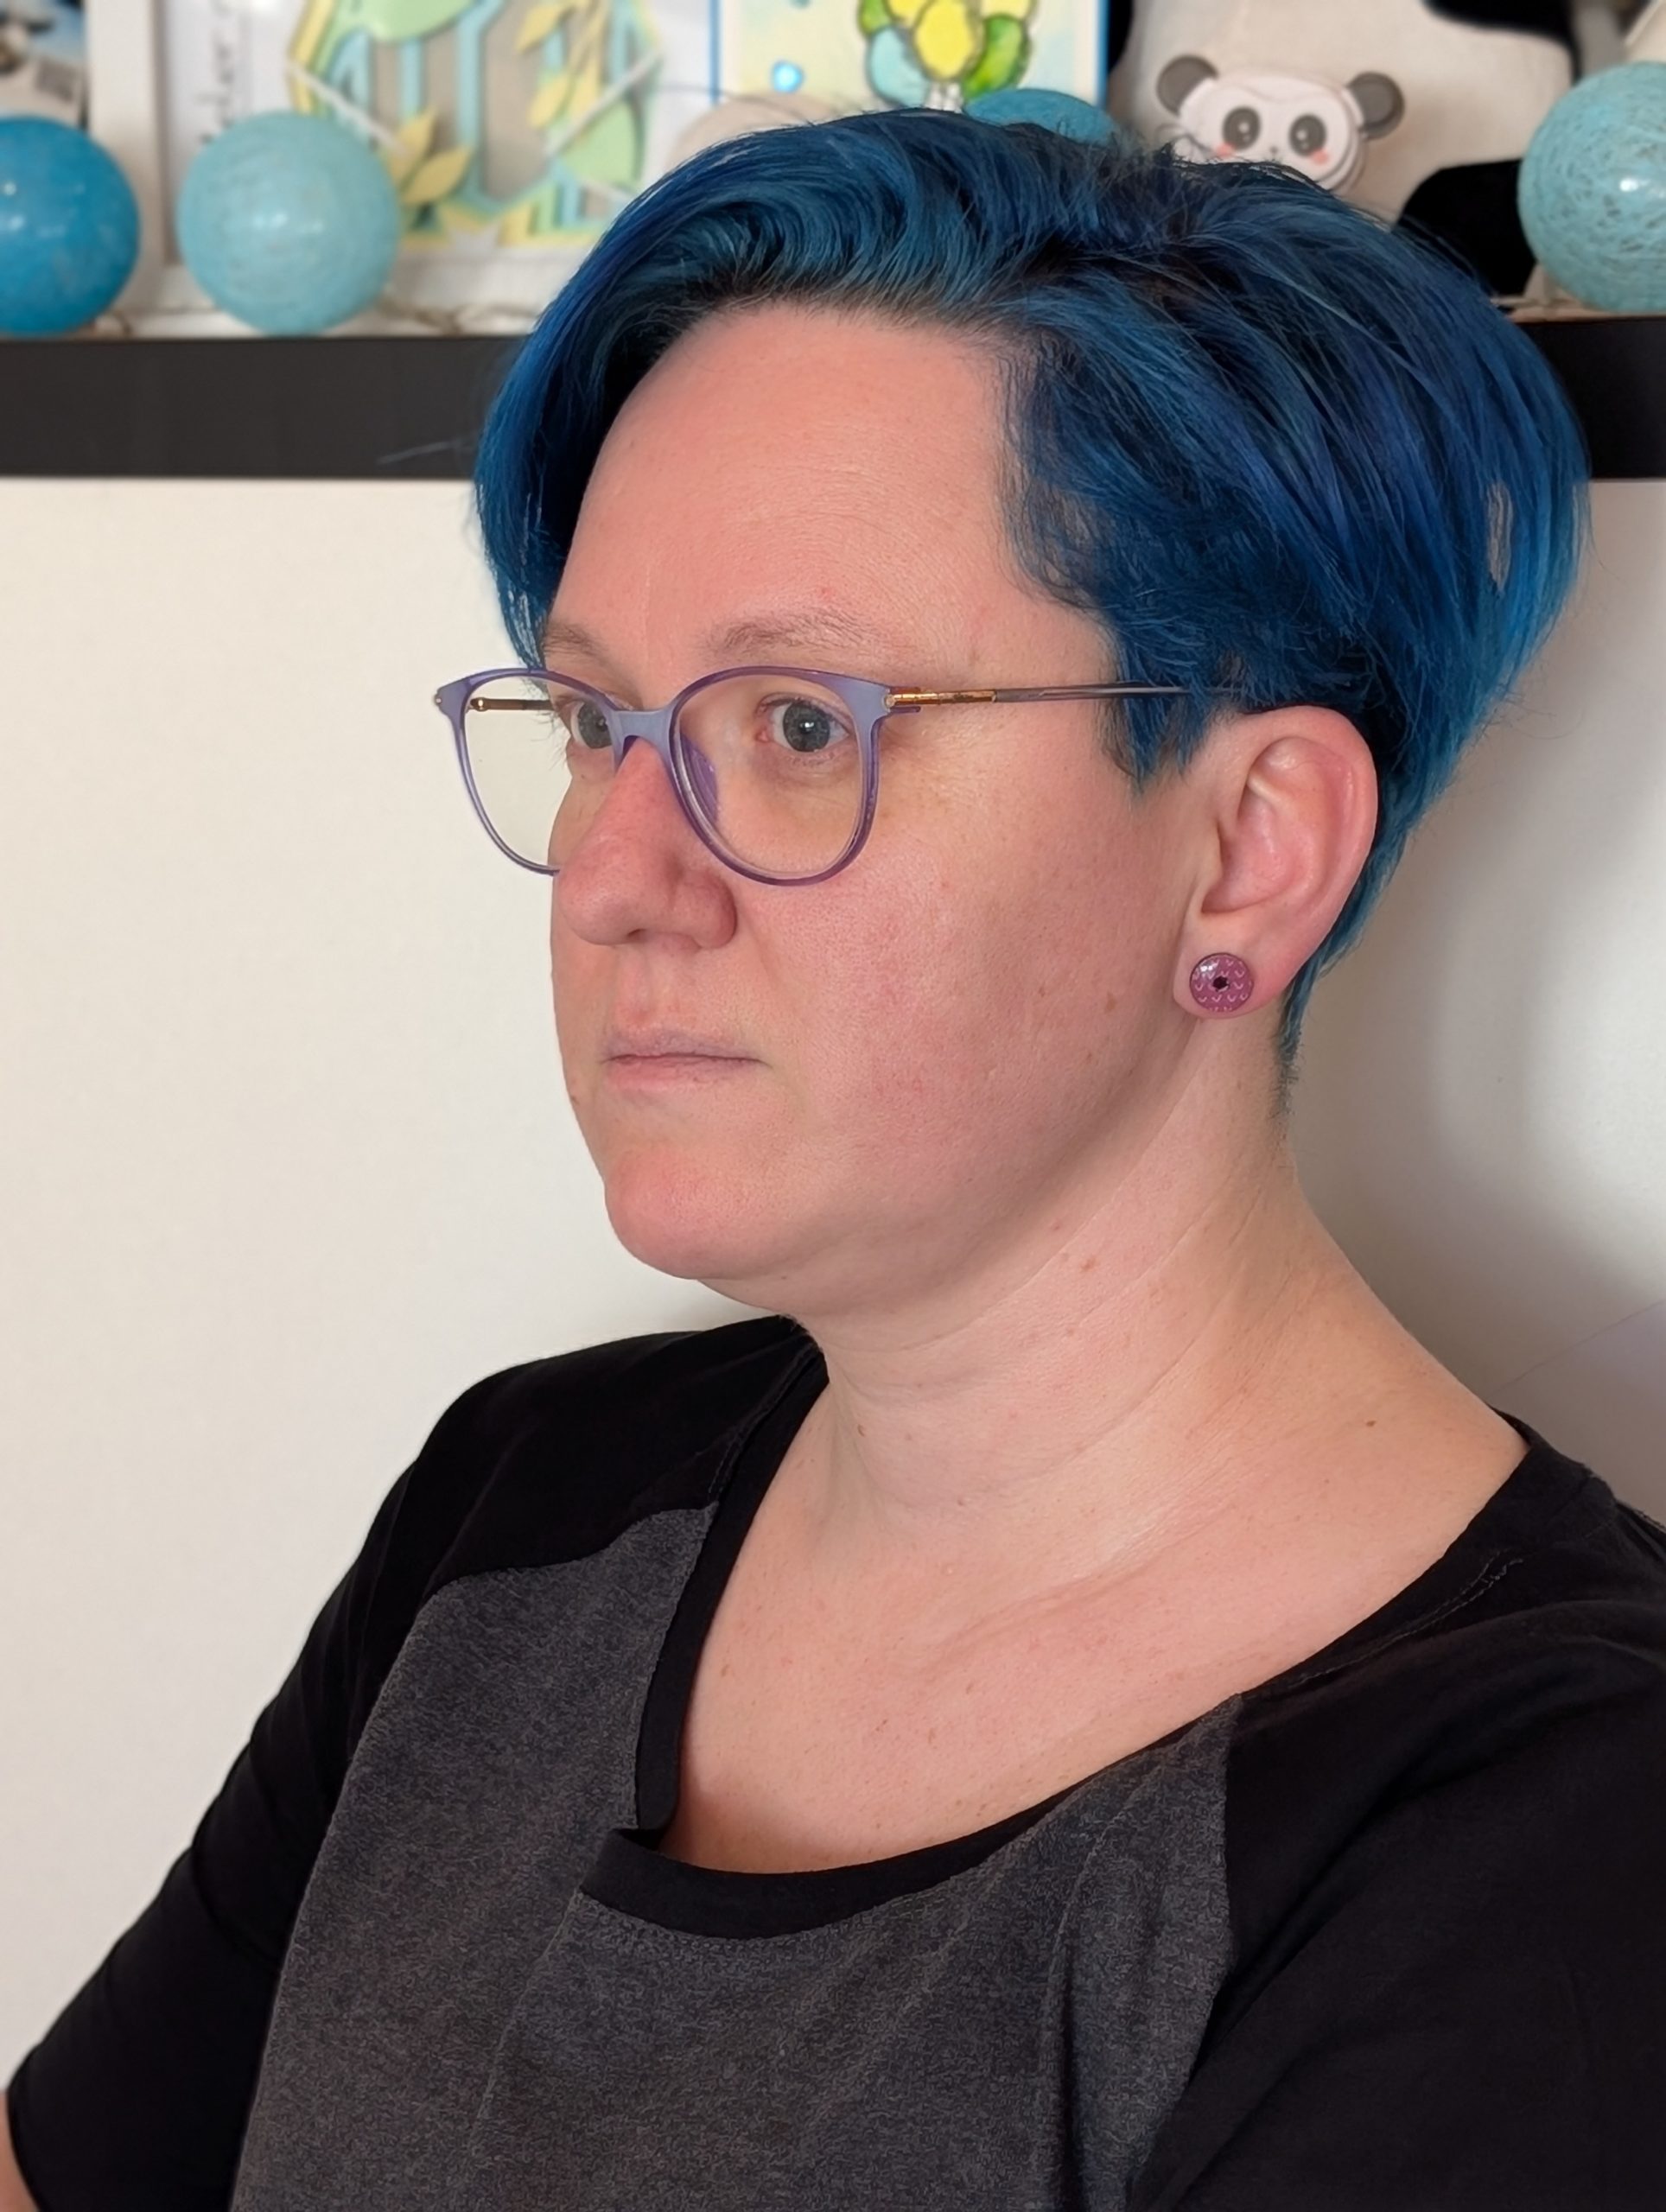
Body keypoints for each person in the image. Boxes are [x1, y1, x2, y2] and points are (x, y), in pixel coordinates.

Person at [5, 106, 1663, 2211]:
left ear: (1248, 850)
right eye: (597, 722)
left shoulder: (1549, 1833)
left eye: (799, 724)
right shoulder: (528, 1506)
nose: (614, 876)